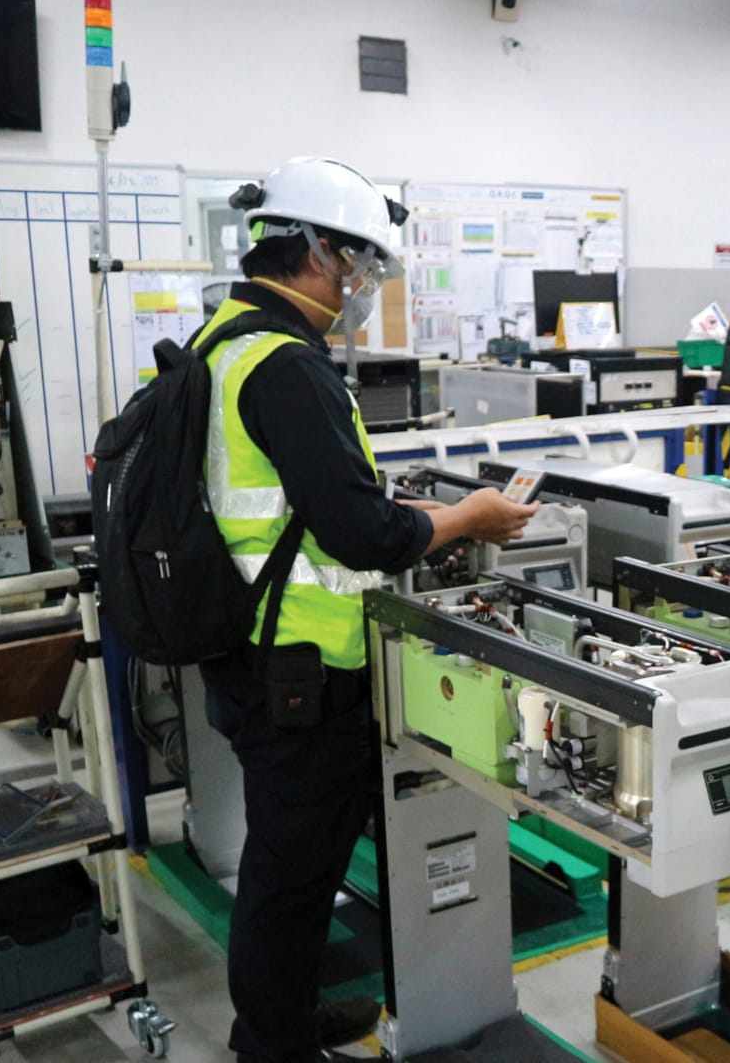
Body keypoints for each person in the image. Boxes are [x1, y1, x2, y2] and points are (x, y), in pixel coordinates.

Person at [197, 157, 537, 1063]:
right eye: (357, 268)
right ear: (312, 252)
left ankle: (282, 1022)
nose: (358, 289)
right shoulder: (288, 367)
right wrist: (465, 517)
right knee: (291, 875)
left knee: (292, 867)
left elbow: (304, 511)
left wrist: (418, 518)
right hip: (302, 667)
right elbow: (356, 535)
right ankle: (271, 1048)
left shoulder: (223, 339)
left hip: (251, 647)